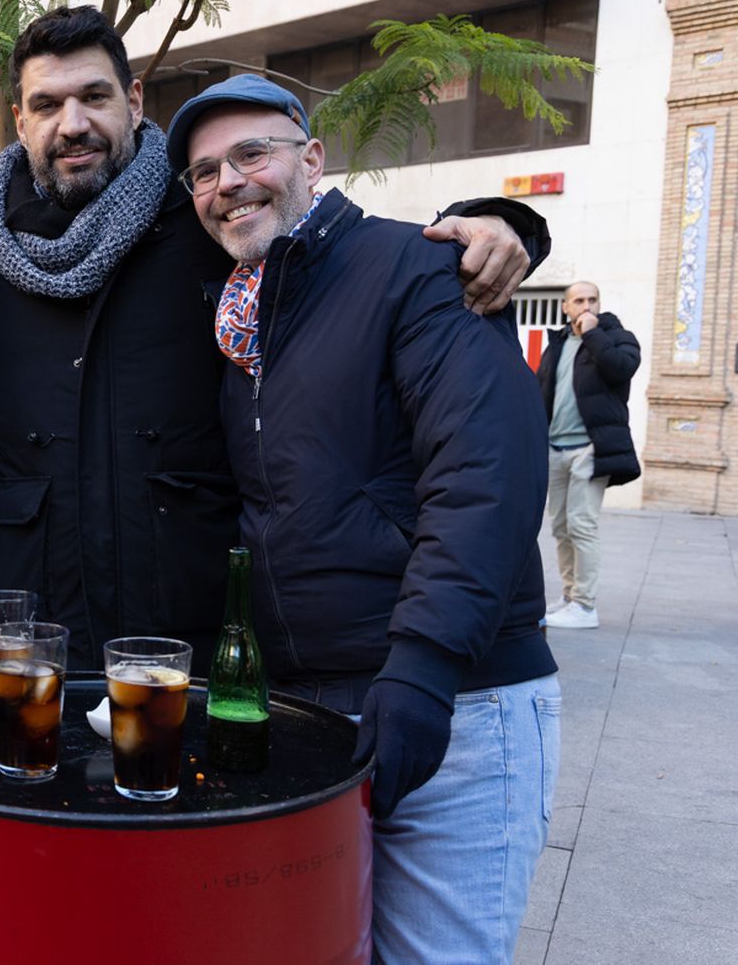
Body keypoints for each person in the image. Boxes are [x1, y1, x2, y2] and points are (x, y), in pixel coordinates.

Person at [0, 4, 549, 669]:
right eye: (47, 104)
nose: (73, 124)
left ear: (132, 101)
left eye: (94, 96)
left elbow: (343, 256)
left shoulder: (216, 226)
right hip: (37, 659)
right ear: (20, 121)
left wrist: (489, 224)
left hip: (197, 663)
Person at [168, 74, 560, 964]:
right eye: (201, 172)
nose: (226, 181)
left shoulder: (419, 267)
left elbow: (483, 479)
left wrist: (422, 665)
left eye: (250, 153)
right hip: (310, 712)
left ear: (311, 159)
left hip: (457, 701)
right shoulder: (238, 321)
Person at [536, 281, 641, 629]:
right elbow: (542, 392)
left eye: (592, 299)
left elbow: (621, 368)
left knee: (582, 524)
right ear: (565, 307)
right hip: (555, 448)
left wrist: (594, 334)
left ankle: (585, 605)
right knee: (561, 527)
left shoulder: (616, 337)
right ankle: (569, 597)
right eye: (578, 300)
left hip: (589, 448)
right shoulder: (557, 343)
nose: (586, 305)